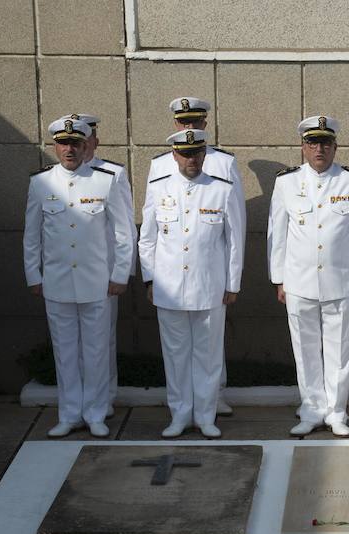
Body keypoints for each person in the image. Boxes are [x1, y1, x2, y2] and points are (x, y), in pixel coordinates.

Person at [25, 117, 134, 439]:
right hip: (57, 283)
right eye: (63, 143)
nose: (69, 149)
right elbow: (32, 235)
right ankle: (69, 414)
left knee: (97, 352)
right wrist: (33, 274)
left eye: (75, 143)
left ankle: (97, 413)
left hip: (97, 282)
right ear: (55, 146)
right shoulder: (40, 183)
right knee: (65, 352)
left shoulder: (105, 180)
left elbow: (123, 233)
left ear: (87, 145)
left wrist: (120, 275)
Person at [267, 115, 349, 438]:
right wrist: (278, 279)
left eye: (325, 143)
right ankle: (312, 410)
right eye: (312, 142)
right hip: (298, 281)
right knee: (306, 350)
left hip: (340, 281)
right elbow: (277, 234)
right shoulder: (286, 183)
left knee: (340, 351)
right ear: (303, 146)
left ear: (335, 146)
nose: (319, 149)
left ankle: (337, 413)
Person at [140, 127, 244, 439]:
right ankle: (180, 415)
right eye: (185, 153)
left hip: (210, 286)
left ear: (204, 153)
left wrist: (232, 283)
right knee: (175, 356)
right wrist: (149, 278)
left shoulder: (221, 188)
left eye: (197, 152)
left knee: (209, 356)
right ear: (174, 155)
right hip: (169, 287)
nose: (191, 159)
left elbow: (235, 240)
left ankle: (206, 416)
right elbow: (147, 239)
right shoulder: (159, 187)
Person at [71, 112, 134, 418]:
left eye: (87, 137)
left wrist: (123, 271)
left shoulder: (113, 173)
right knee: (74, 344)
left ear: (94, 140)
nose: (83, 144)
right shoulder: (60, 176)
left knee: (102, 339)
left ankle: (104, 397)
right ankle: (78, 400)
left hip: (104, 270)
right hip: (72, 271)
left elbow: (124, 227)